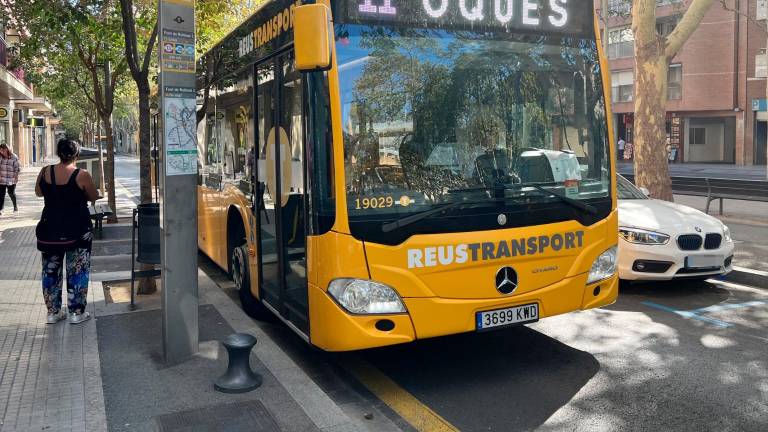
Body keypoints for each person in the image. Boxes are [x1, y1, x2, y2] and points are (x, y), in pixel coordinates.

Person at [35, 139, 99, 324]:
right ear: (76, 155)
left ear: (58, 153)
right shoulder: (82, 174)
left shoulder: (45, 171)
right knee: (78, 269)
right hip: (77, 228)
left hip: (50, 228)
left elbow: (38, 192)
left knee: (50, 270)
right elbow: (93, 195)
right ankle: (76, 313)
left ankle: (53, 312)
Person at [0, 143, 20, 215]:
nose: (2, 151)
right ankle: (1, 209)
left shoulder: (14, 157)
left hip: (11, 178)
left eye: (3, 150)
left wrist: (16, 177)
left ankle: (15, 206)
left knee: (11, 193)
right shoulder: (0, 157)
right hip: (2, 179)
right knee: (1, 194)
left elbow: (17, 168)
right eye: (1, 150)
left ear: (7, 149)